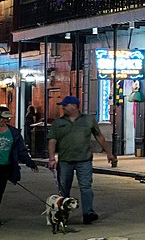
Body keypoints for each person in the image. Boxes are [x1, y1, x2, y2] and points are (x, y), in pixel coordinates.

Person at [47, 95, 115, 225]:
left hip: (84, 159)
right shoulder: (58, 122)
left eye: (65, 105)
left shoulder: (88, 120)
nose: (63, 107)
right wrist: (51, 158)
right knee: (63, 188)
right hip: (65, 160)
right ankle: (62, 213)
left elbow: (99, 136)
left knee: (86, 187)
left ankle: (88, 213)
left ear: (74, 106)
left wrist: (109, 153)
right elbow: (52, 140)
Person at [0, 106, 39, 230]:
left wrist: (30, 163)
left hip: (6, 167)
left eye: (7, 118)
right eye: (3, 118)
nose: (6, 121)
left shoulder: (13, 133)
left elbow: (21, 151)